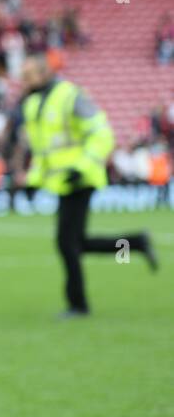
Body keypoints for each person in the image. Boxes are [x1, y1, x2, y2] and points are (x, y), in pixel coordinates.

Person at [14, 54, 157, 317]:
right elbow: (42, 151)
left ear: (45, 73)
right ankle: (135, 243)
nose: (23, 80)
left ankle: (78, 305)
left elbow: (102, 133)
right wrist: (33, 182)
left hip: (81, 178)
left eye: (28, 74)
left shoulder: (71, 96)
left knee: (66, 243)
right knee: (76, 242)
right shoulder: (32, 104)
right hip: (62, 182)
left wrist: (82, 168)